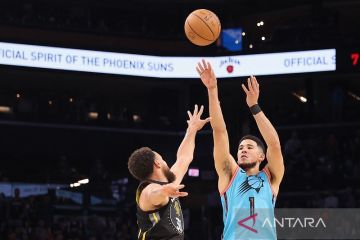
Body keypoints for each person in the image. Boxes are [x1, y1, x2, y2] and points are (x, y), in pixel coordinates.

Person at [196, 60, 285, 240]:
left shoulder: (271, 177)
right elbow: (220, 132)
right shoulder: (230, 174)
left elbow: (274, 145)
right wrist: (212, 91)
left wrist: (254, 107)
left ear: (261, 156)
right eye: (240, 148)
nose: (243, 150)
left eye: (249, 147)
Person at [128, 105, 210, 240]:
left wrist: (192, 129)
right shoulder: (148, 190)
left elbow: (184, 158)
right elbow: (153, 195)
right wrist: (164, 191)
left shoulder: (169, 182)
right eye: (162, 158)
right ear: (157, 163)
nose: (166, 161)